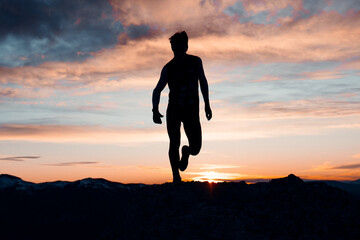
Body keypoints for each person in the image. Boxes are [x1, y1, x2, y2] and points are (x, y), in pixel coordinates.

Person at [152, 31, 212, 183]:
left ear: (186, 45)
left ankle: (187, 152)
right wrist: (155, 110)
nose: (177, 48)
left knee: (196, 148)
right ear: (172, 47)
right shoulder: (168, 68)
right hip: (174, 110)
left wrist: (207, 105)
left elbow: (203, 83)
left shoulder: (196, 62)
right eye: (175, 45)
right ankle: (176, 177)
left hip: (191, 111)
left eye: (180, 45)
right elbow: (157, 89)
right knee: (174, 142)